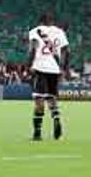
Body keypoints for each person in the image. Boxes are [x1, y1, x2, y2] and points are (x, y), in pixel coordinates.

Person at [26, 13, 68, 142]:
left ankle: (37, 133)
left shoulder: (35, 31)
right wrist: (63, 68)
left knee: (39, 100)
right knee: (52, 98)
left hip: (40, 68)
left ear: (40, 22)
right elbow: (65, 50)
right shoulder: (60, 32)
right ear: (52, 21)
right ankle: (56, 119)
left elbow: (33, 49)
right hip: (54, 69)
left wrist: (28, 65)